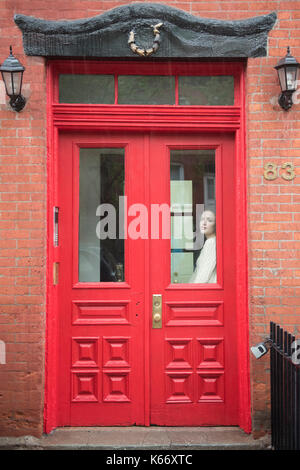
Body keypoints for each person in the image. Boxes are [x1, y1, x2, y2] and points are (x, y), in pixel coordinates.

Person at [189, 210, 216, 283]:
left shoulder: (211, 243)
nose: (204, 223)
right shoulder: (210, 242)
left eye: (209, 220)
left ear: (215, 225)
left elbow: (203, 274)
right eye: (202, 220)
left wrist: (191, 292)